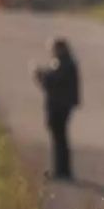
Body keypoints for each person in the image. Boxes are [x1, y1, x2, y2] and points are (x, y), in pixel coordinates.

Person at [34, 38, 80, 180]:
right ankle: (62, 169)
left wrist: (39, 75)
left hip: (59, 106)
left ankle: (61, 171)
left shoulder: (62, 63)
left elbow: (51, 81)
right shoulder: (67, 62)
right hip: (63, 105)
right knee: (61, 138)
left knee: (59, 138)